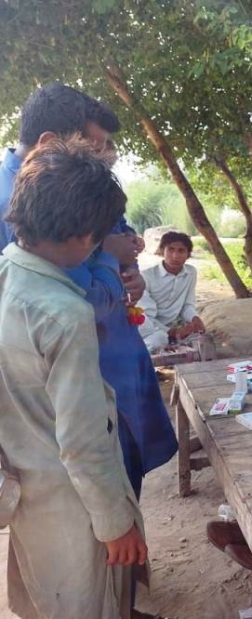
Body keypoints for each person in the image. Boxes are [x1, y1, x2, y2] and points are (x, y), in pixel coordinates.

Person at [1, 83, 178, 499]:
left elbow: (112, 230)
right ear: (49, 145)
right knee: (95, 494)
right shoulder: (17, 205)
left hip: (116, 354)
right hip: (76, 381)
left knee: (126, 479)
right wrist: (108, 258)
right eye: (94, 149)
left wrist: (127, 262)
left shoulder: (73, 182)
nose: (102, 161)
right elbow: (57, 297)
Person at [0, 137, 147, 619]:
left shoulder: (7, 275)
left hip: (27, 490)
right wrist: (115, 523)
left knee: (45, 599)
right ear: (85, 235)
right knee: (87, 602)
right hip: (73, 505)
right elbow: (83, 441)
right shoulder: (67, 315)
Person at [139, 231, 206, 352]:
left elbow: (187, 305)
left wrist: (195, 319)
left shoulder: (190, 273)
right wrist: (170, 332)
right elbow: (146, 316)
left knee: (202, 340)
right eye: (170, 249)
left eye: (181, 251)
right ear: (161, 251)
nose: (175, 256)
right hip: (149, 327)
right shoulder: (146, 276)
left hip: (174, 327)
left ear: (188, 254)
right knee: (159, 340)